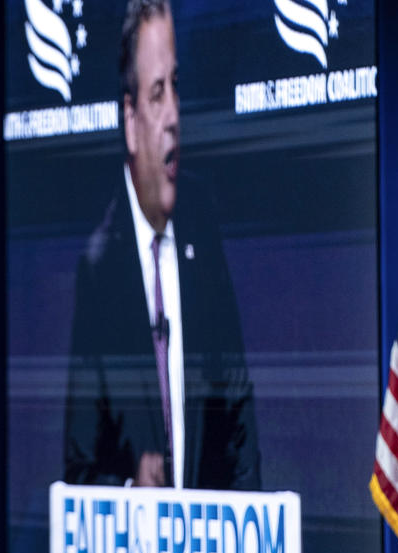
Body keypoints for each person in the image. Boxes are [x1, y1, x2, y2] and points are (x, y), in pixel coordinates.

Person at [63, 0, 260, 490]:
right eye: (157, 93)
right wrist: (133, 488)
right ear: (130, 119)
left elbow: (237, 414)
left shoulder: (201, 225)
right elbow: (80, 467)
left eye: (176, 86)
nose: (174, 114)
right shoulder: (99, 266)